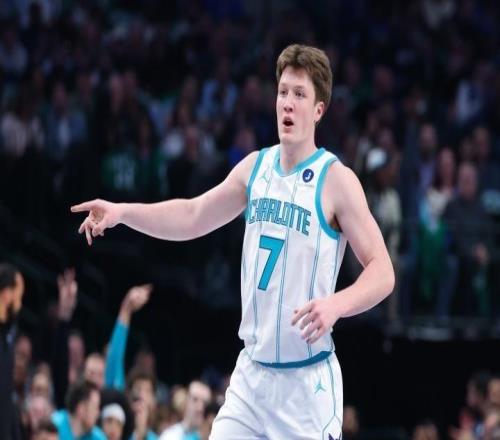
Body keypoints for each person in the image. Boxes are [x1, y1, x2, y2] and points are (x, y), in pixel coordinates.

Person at [72, 44, 395, 439]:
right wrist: (123, 212)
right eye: (283, 92)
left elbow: (383, 272)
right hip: (251, 379)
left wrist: (336, 305)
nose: (287, 103)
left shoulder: (336, 180)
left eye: (299, 94)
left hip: (306, 385)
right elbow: (192, 215)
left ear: (318, 110)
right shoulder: (255, 168)